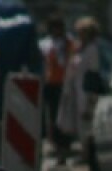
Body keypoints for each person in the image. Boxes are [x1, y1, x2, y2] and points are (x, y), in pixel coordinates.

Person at [56, 17, 102, 163]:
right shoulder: (79, 49)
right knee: (76, 123)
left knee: (85, 124)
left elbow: (93, 72)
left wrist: (91, 97)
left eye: (83, 32)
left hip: (86, 91)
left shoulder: (92, 49)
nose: (80, 35)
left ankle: (87, 154)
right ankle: (82, 152)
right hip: (75, 91)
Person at [39, 16, 75, 157]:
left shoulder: (69, 43)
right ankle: (55, 142)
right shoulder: (46, 44)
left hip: (64, 84)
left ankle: (65, 143)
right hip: (50, 84)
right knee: (52, 115)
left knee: (64, 115)